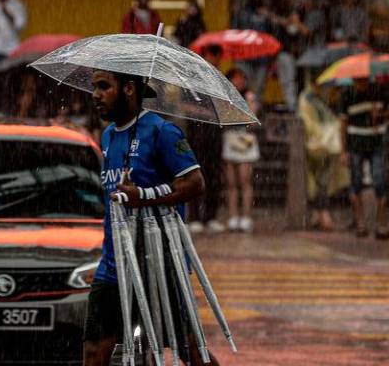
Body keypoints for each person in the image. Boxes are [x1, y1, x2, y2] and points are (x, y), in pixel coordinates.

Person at [84, 70, 219, 366]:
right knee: (95, 351)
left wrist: (144, 195)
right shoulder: (107, 136)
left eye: (104, 86)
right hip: (113, 262)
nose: (95, 95)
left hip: (159, 260)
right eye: (94, 87)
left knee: (189, 350)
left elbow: (195, 183)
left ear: (129, 88)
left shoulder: (162, 132)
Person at [339, 78, 389, 240]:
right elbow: (343, 123)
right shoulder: (347, 95)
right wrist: (344, 150)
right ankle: (360, 222)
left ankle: (381, 223)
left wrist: (380, 115)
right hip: (356, 143)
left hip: (376, 142)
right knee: (356, 182)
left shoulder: (379, 92)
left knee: (379, 181)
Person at [188, 44, 226, 234]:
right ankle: (194, 215)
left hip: (214, 136)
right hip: (196, 135)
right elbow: (185, 107)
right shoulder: (192, 80)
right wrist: (206, 112)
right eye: (213, 55)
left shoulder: (219, 80)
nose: (216, 59)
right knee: (194, 173)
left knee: (214, 177)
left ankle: (210, 216)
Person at [299, 83, 346, 231]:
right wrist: (324, 133)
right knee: (319, 180)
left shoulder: (320, 98)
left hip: (325, 144)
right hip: (318, 144)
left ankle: (318, 212)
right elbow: (308, 122)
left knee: (321, 179)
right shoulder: (308, 99)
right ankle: (321, 212)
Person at [221, 69, 259, 232]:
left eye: (241, 78)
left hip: (245, 139)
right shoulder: (225, 96)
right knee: (231, 182)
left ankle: (246, 216)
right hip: (230, 138)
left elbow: (251, 119)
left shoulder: (249, 96)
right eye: (235, 78)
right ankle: (233, 216)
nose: (239, 81)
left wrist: (248, 105)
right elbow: (223, 117)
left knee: (245, 181)